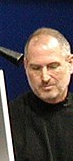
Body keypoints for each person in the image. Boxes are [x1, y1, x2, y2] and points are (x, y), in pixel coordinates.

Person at [9, 27, 73, 161]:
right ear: (26, 66)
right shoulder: (9, 118)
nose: (45, 77)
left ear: (70, 64)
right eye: (36, 68)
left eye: (53, 66)